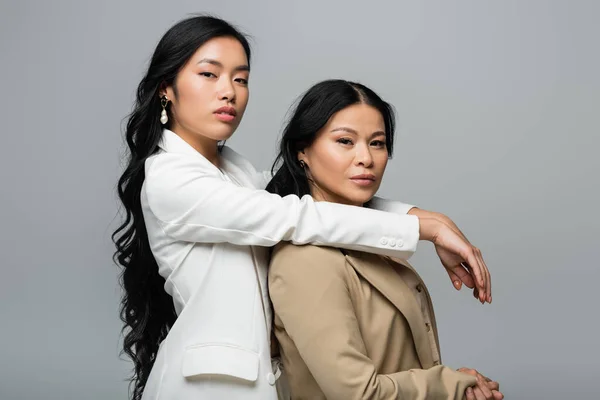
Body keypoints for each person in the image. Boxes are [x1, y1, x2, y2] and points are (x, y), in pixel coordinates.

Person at [112, 15, 492, 400]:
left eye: (240, 79)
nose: (229, 91)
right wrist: (424, 230)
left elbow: (310, 196)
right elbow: (296, 215)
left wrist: (426, 219)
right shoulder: (169, 178)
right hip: (206, 388)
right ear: (166, 89)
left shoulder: (234, 170)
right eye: (209, 75)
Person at [267, 79, 503, 400]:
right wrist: (450, 384)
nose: (366, 158)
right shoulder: (305, 259)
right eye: (346, 141)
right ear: (302, 152)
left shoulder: (377, 239)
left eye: (376, 143)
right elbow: (359, 393)